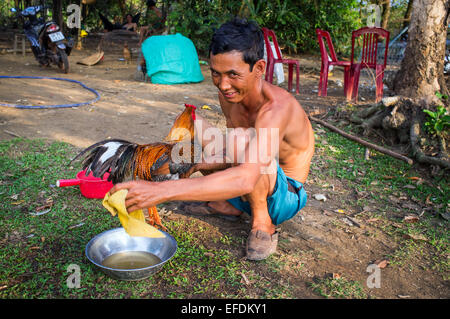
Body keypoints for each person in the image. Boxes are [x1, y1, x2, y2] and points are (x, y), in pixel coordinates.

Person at [110, 18, 315, 261]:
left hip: (283, 197)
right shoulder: (229, 95)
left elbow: (247, 174)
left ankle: (263, 224)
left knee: (241, 140)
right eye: (216, 74)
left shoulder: (276, 109)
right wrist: (193, 164)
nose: (223, 84)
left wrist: (162, 190)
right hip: (247, 178)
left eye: (232, 74)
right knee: (195, 122)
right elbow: (233, 157)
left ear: (259, 68)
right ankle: (227, 205)